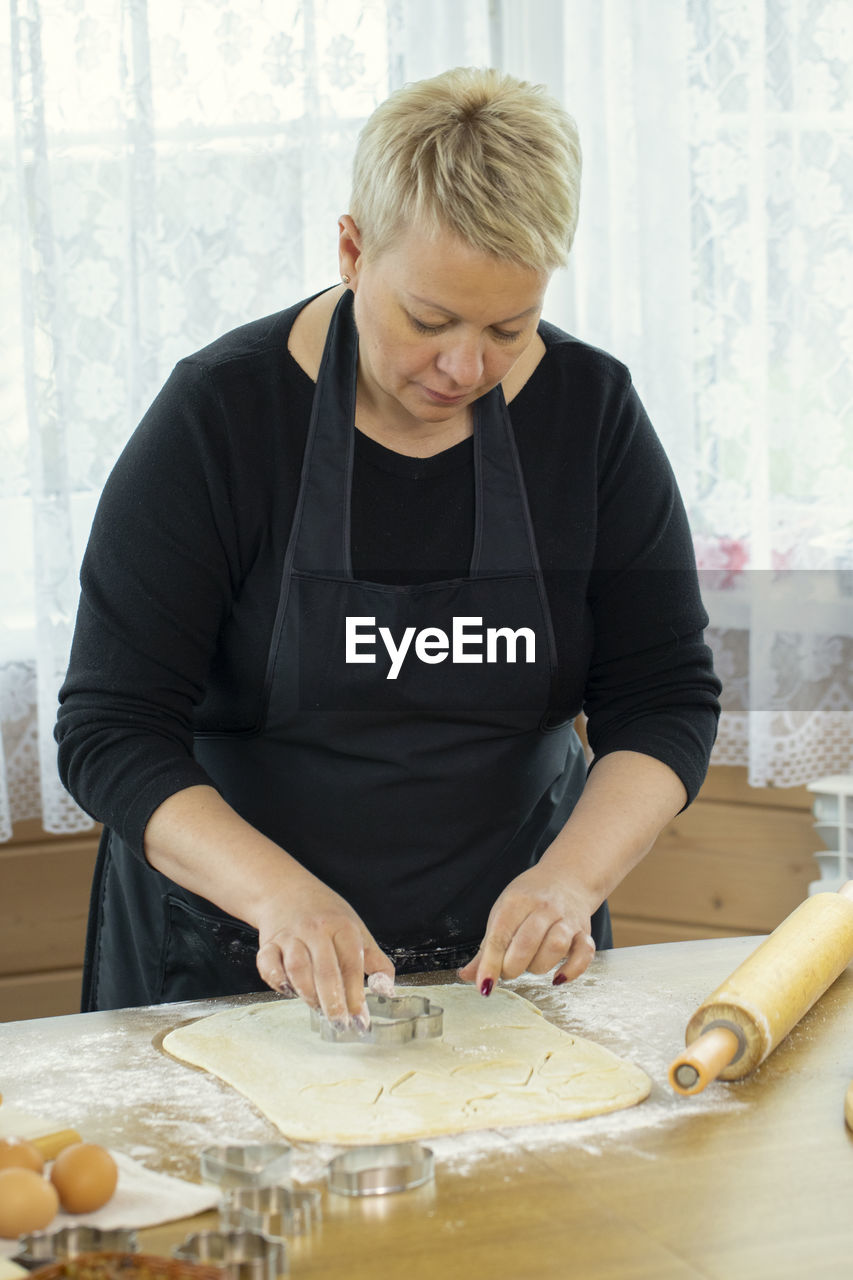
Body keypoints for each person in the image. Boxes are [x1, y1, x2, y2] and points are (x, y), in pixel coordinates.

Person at [56, 67, 720, 1026]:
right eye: (428, 319)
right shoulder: (219, 420)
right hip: (224, 957)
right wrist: (280, 896)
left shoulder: (591, 414)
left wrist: (569, 884)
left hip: (512, 965)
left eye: (509, 328)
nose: (464, 367)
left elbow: (663, 699)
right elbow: (110, 728)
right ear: (353, 248)